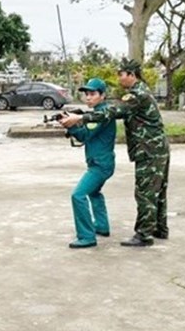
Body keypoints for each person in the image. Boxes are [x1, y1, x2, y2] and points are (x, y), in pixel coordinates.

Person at [61, 59, 170, 247]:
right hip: (157, 148)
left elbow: (111, 112)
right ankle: (159, 228)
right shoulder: (141, 91)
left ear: (132, 75)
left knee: (145, 193)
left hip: (149, 149)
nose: (119, 78)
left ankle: (144, 235)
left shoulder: (136, 95)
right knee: (157, 191)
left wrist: (79, 118)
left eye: (121, 74)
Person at [65, 78, 116, 249]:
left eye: (93, 94)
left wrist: (72, 126)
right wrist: (70, 124)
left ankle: (87, 236)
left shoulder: (101, 115)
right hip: (101, 163)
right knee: (94, 193)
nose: (88, 97)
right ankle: (101, 226)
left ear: (103, 95)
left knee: (78, 195)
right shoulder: (98, 113)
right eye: (87, 94)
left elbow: (84, 135)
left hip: (100, 165)